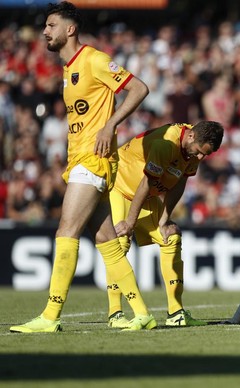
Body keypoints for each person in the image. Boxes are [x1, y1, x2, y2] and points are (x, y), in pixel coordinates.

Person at [11, 2, 153, 333]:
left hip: (93, 160)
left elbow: (139, 88)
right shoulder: (68, 68)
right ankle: (142, 313)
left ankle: (50, 316)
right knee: (105, 241)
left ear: (70, 29)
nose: (45, 31)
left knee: (66, 231)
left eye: (51, 25)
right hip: (81, 159)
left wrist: (110, 126)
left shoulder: (94, 60)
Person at [106, 121, 224, 328]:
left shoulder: (192, 151)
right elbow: (146, 183)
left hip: (147, 198)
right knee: (120, 242)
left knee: (171, 236)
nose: (200, 158)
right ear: (190, 137)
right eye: (199, 152)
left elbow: (179, 184)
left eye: (205, 155)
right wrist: (130, 223)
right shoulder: (165, 144)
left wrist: (164, 220)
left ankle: (176, 312)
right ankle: (115, 314)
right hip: (121, 189)